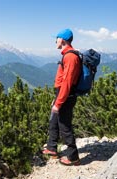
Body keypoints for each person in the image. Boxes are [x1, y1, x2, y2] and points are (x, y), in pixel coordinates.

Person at [42, 28, 81, 166]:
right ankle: (52, 148)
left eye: (57, 38)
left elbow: (67, 83)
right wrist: (57, 98)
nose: (55, 41)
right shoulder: (66, 55)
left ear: (63, 40)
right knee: (54, 120)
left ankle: (73, 156)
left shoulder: (70, 57)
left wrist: (59, 103)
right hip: (62, 93)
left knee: (64, 125)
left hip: (67, 95)